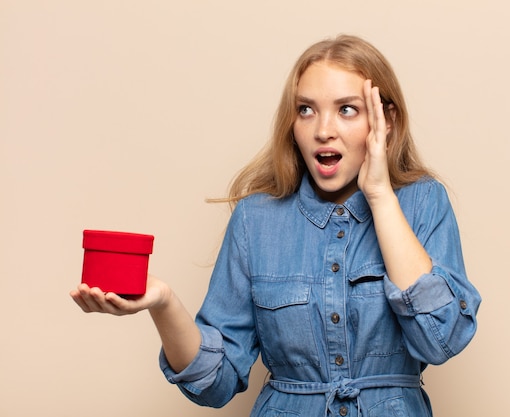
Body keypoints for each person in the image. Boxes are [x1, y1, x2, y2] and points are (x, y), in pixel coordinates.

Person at [71, 34, 481, 417]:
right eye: (306, 109)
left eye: (347, 109)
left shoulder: (423, 201)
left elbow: (441, 338)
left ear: (384, 120)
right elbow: (215, 382)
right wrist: (162, 303)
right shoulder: (256, 219)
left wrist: (379, 194)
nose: (323, 130)